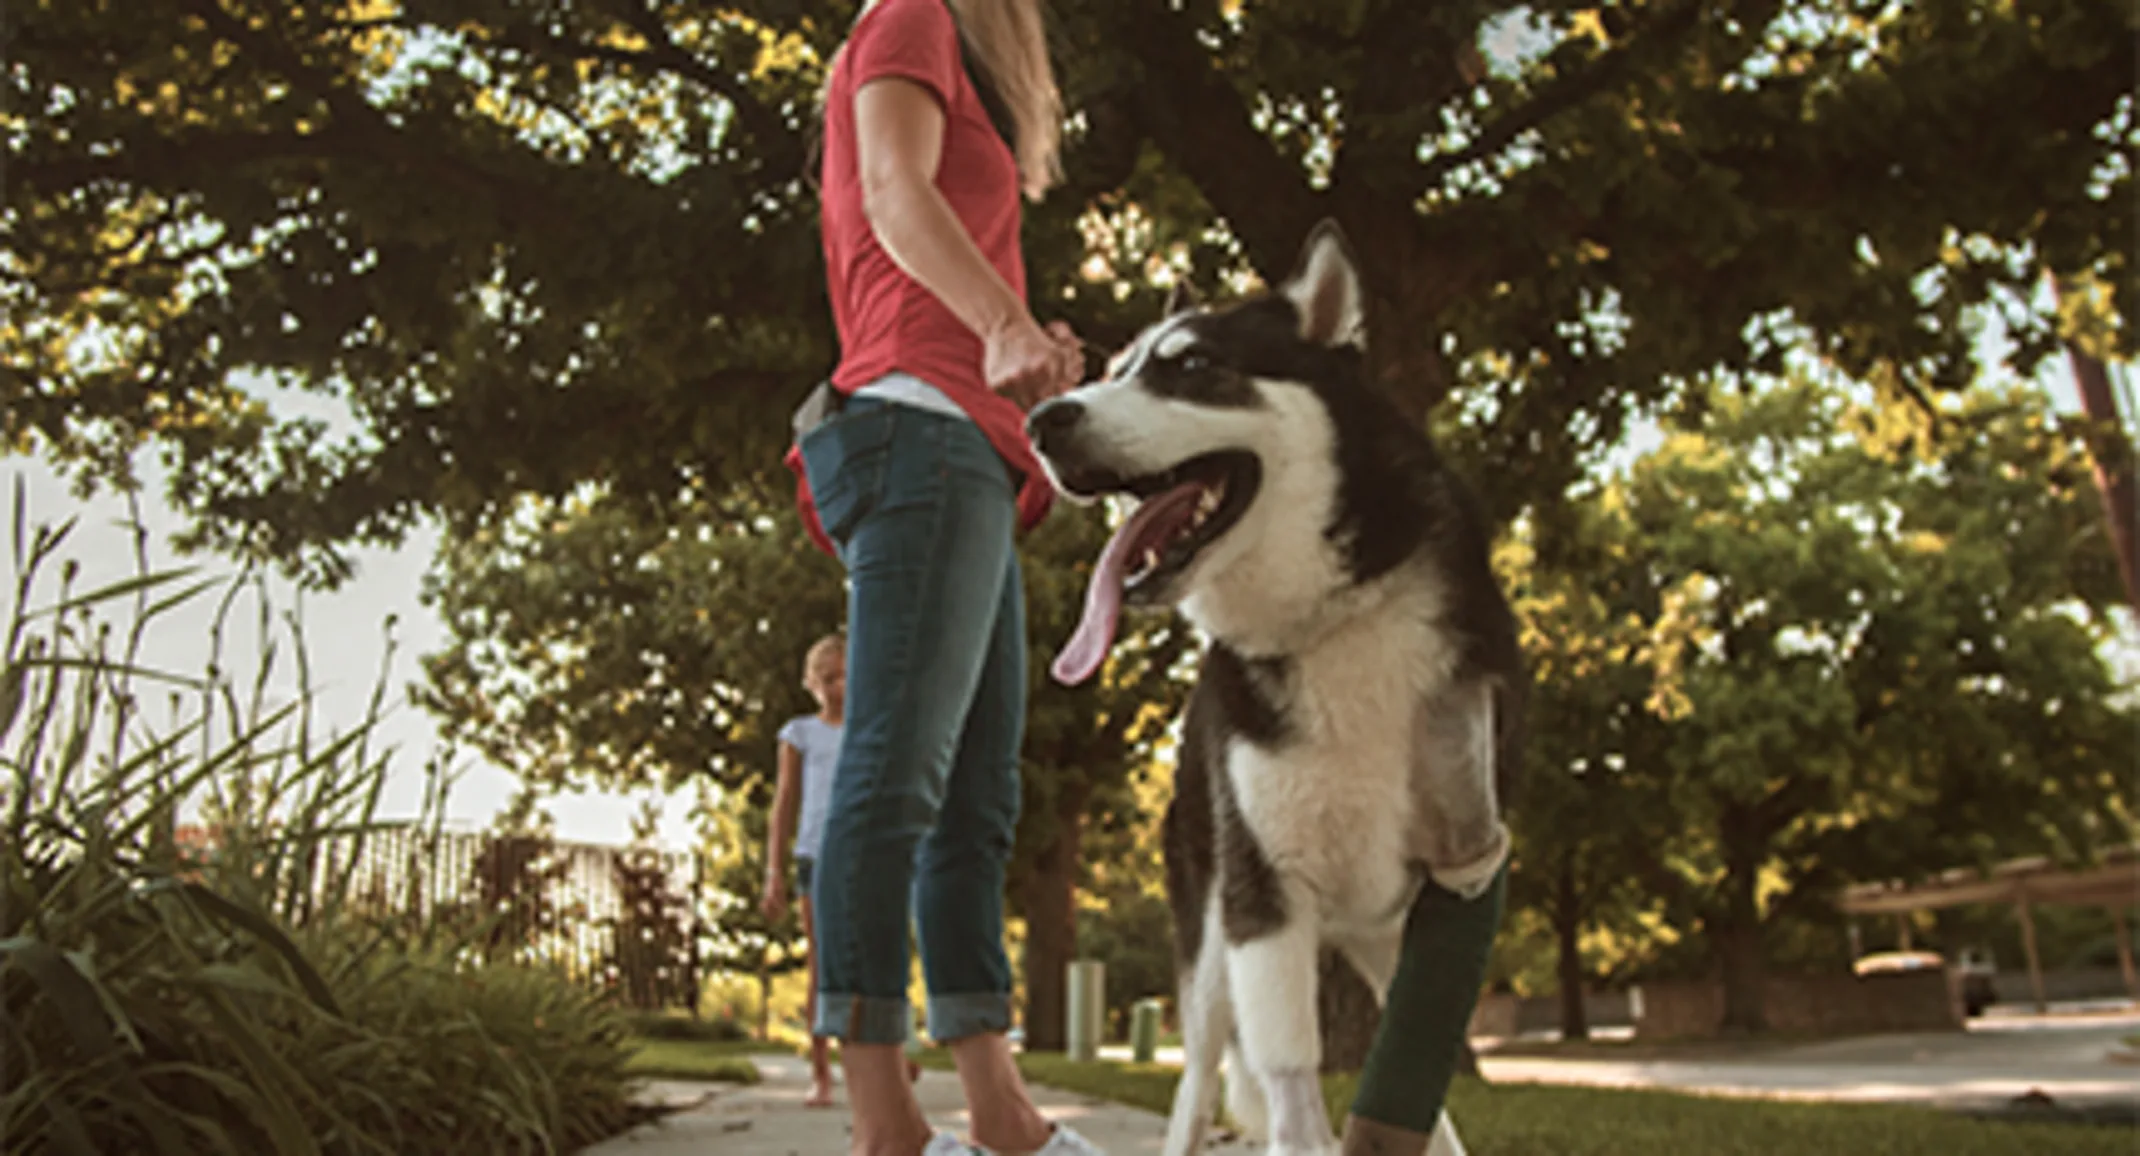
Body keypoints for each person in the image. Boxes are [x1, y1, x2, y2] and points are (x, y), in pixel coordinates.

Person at [780, 0, 1092, 1150]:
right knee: (895, 778)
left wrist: (1022, 345)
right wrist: (1001, 323)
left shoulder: (954, 49)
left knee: (975, 804)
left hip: (967, 443)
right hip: (917, 425)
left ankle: (1002, 1113)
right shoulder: (906, 13)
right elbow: (894, 189)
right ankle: (885, 1128)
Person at [760, 633, 848, 1107]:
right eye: (828, 678)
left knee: (877, 961)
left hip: (864, 858)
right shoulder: (800, 734)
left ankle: (890, 1055)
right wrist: (774, 871)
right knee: (822, 966)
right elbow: (784, 806)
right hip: (816, 857)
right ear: (811, 683)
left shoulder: (871, 730)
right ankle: (821, 1075)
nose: (839, 686)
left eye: (847, 675)